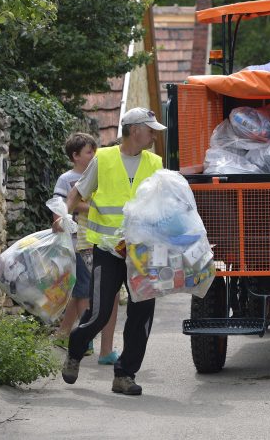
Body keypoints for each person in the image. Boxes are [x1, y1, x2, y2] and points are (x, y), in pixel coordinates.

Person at [59, 107, 165, 396]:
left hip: (143, 252)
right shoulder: (103, 159)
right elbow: (77, 192)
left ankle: (125, 375)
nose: (154, 134)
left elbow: (165, 204)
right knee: (100, 312)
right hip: (108, 249)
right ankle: (75, 352)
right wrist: (63, 216)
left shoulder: (155, 163)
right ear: (134, 130)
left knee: (141, 315)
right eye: (150, 128)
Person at [52, 132, 120, 366]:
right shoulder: (67, 179)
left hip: (97, 240)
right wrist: (88, 207)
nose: (94, 155)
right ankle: (85, 335)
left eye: (95, 150)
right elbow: (61, 207)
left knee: (84, 289)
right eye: (89, 152)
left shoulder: (100, 174)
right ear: (75, 156)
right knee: (83, 290)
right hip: (78, 241)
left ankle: (65, 333)